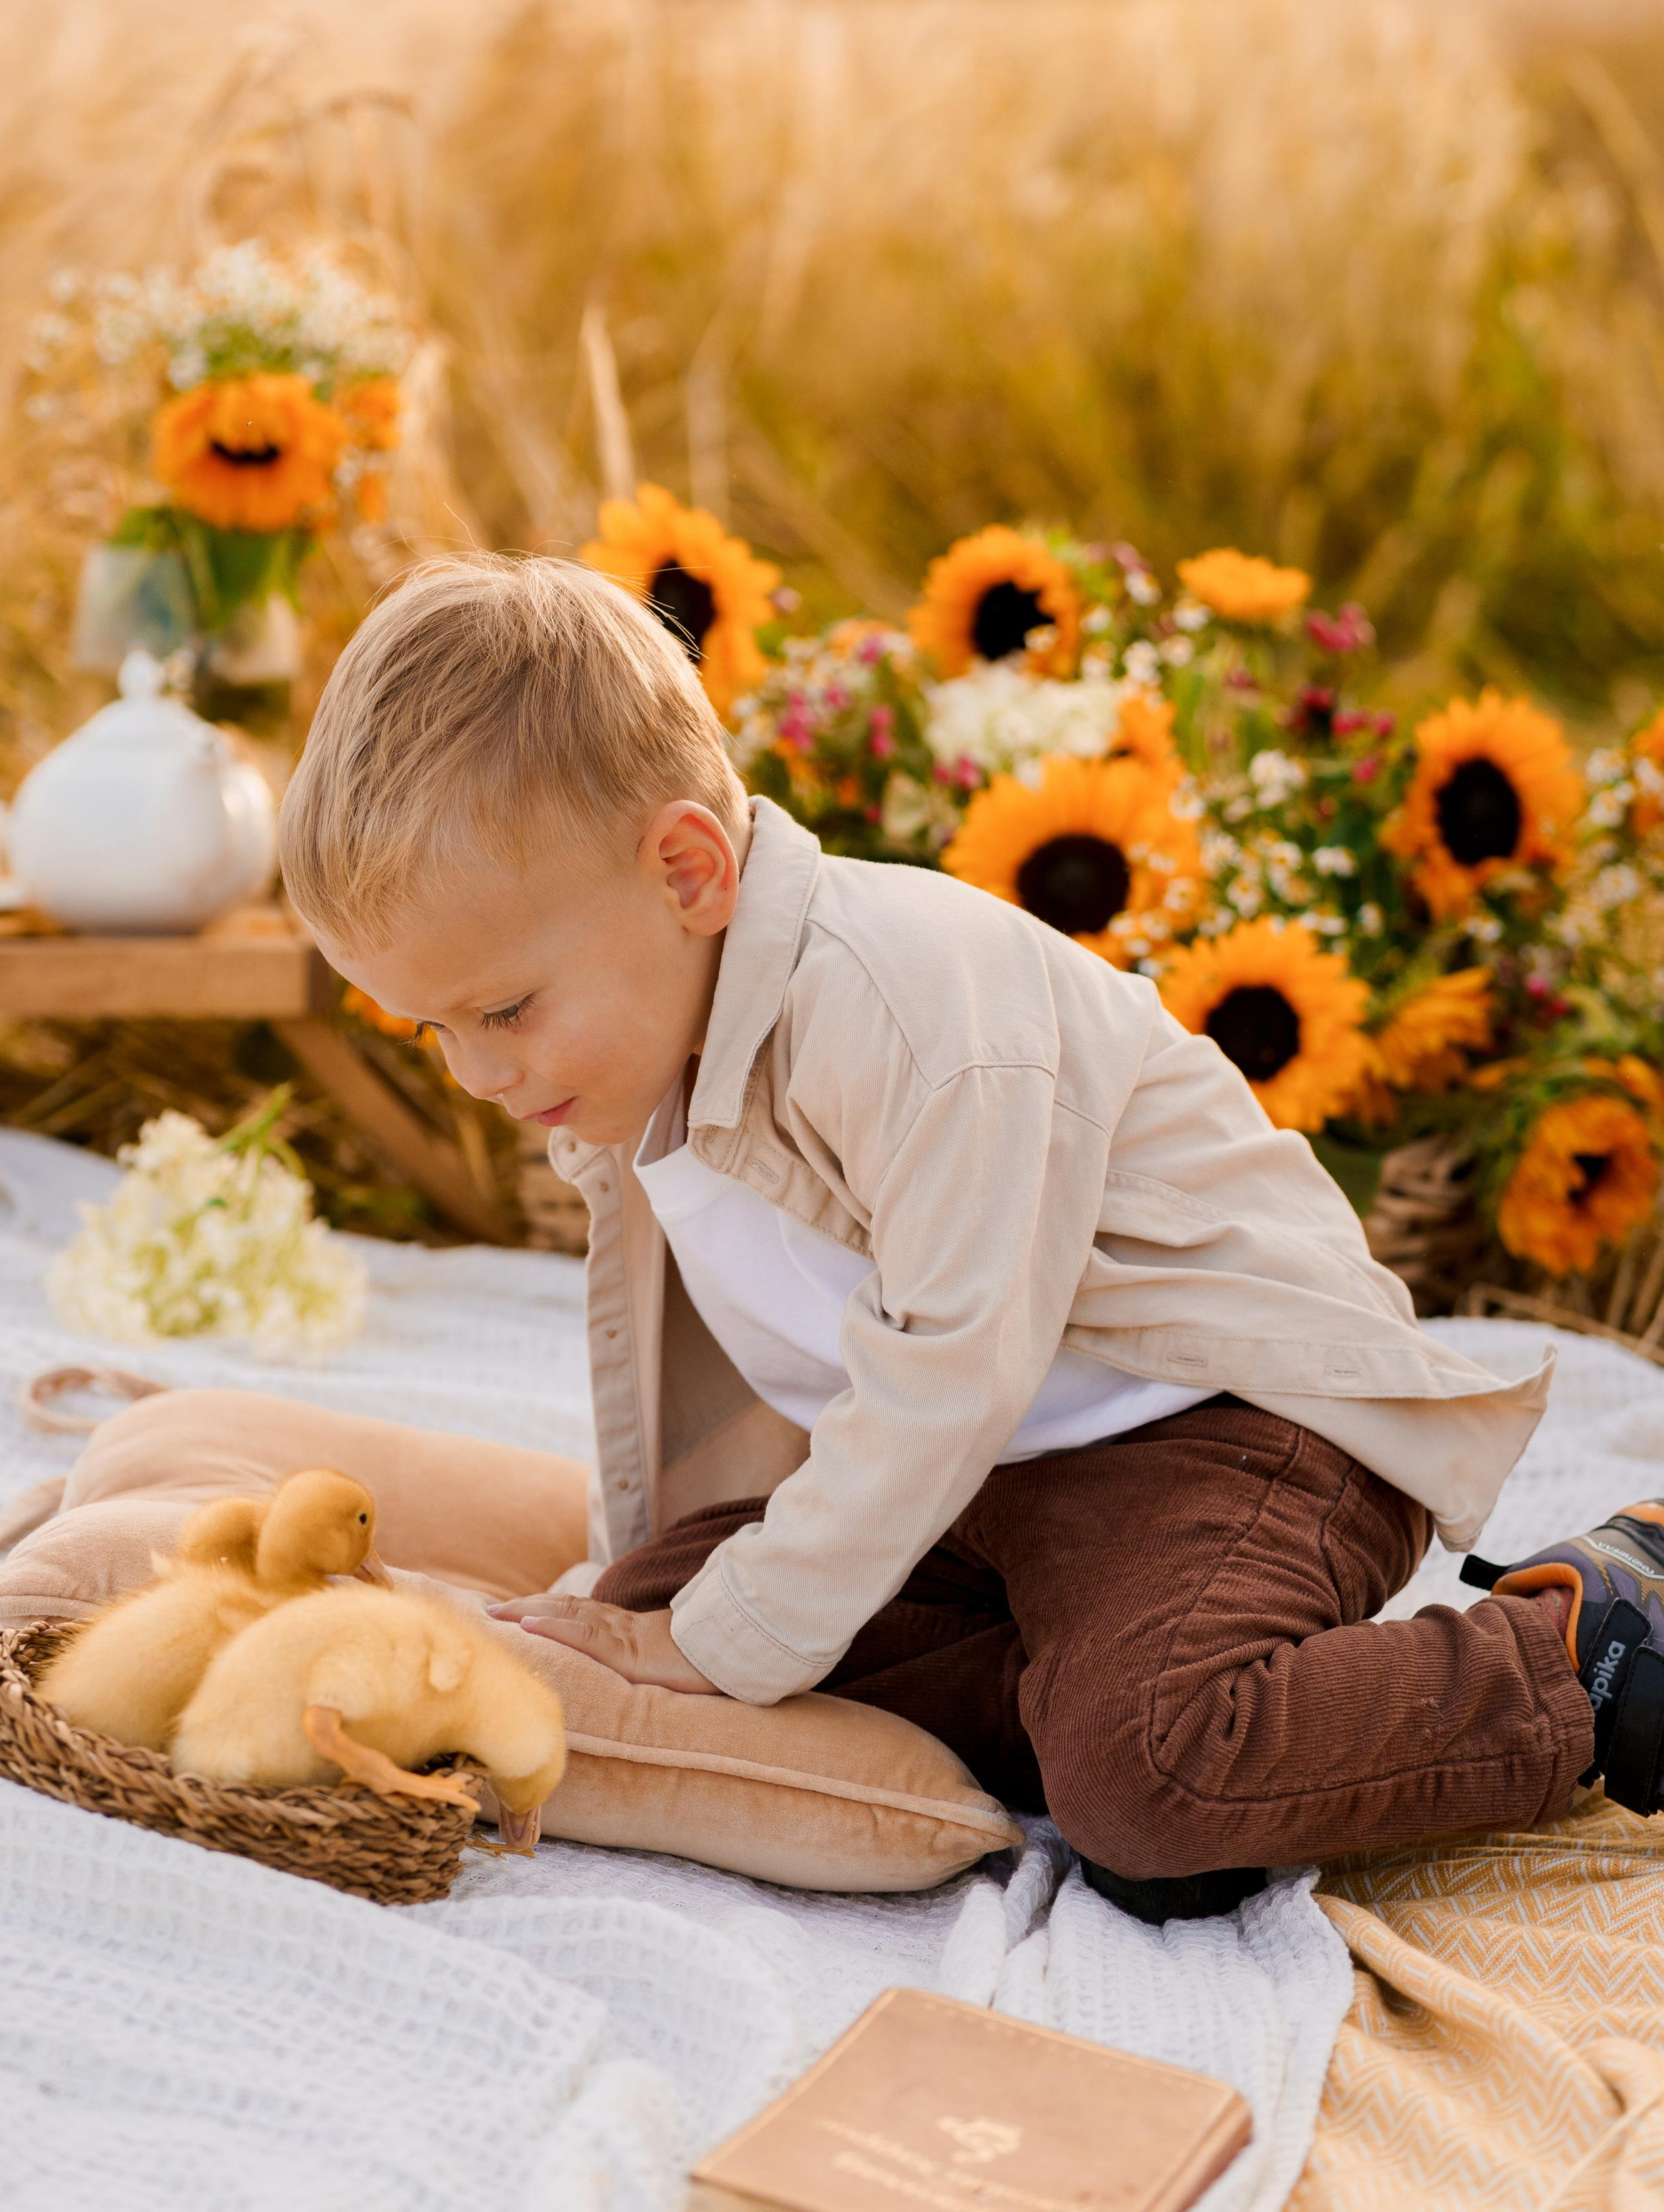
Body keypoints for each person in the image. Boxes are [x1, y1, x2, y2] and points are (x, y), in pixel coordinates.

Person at [278, 552, 1664, 1919]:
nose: (474, 1073)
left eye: (504, 1010)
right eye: (431, 1028)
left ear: (687, 870)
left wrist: (727, 1641)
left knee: (1135, 1770)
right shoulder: (643, 1058)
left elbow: (947, 1363)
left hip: (1217, 1424)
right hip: (996, 1479)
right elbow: (786, 1408)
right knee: (659, 1602)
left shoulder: (907, 1008)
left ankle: (1578, 1647)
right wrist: (669, 1616)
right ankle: (1178, 1726)